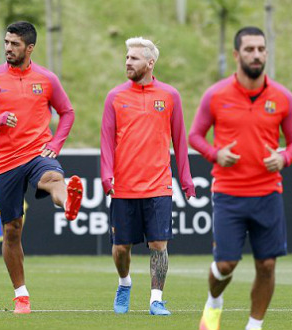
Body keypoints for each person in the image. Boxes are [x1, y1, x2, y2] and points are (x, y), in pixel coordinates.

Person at [190, 27, 292, 330]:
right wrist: (215, 154)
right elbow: (195, 136)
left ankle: (254, 326)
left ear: (266, 53)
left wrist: (283, 158)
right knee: (226, 264)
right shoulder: (216, 95)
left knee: (267, 265)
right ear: (237, 55)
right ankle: (214, 303)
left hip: (268, 194)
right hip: (228, 193)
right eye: (250, 49)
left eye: (261, 49)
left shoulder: (283, 98)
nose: (256, 54)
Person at [0, 21, 83, 315]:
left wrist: (56, 144)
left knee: (52, 175)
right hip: (5, 162)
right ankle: (21, 294)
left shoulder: (46, 79)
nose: (8, 48)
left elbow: (67, 112)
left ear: (29, 48)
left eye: (15, 44)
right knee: (12, 229)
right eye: (7, 42)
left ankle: (68, 200)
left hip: (37, 153)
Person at [100, 37, 196, 316]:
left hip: (159, 185)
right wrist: (107, 175)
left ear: (150, 63)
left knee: (158, 245)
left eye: (134, 58)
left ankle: (156, 299)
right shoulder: (115, 97)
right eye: (127, 57)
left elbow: (180, 141)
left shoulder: (169, 96)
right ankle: (124, 283)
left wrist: (186, 180)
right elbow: (106, 141)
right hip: (124, 186)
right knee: (120, 249)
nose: (127, 61)